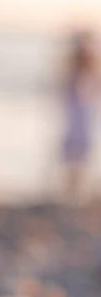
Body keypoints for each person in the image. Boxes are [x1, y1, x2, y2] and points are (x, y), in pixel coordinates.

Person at [59, 29, 101, 201]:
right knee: (74, 149)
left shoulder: (88, 67)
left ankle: (75, 190)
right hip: (76, 115)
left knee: (79, 150)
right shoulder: (75, 68)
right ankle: (70, 190)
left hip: (82, 115)